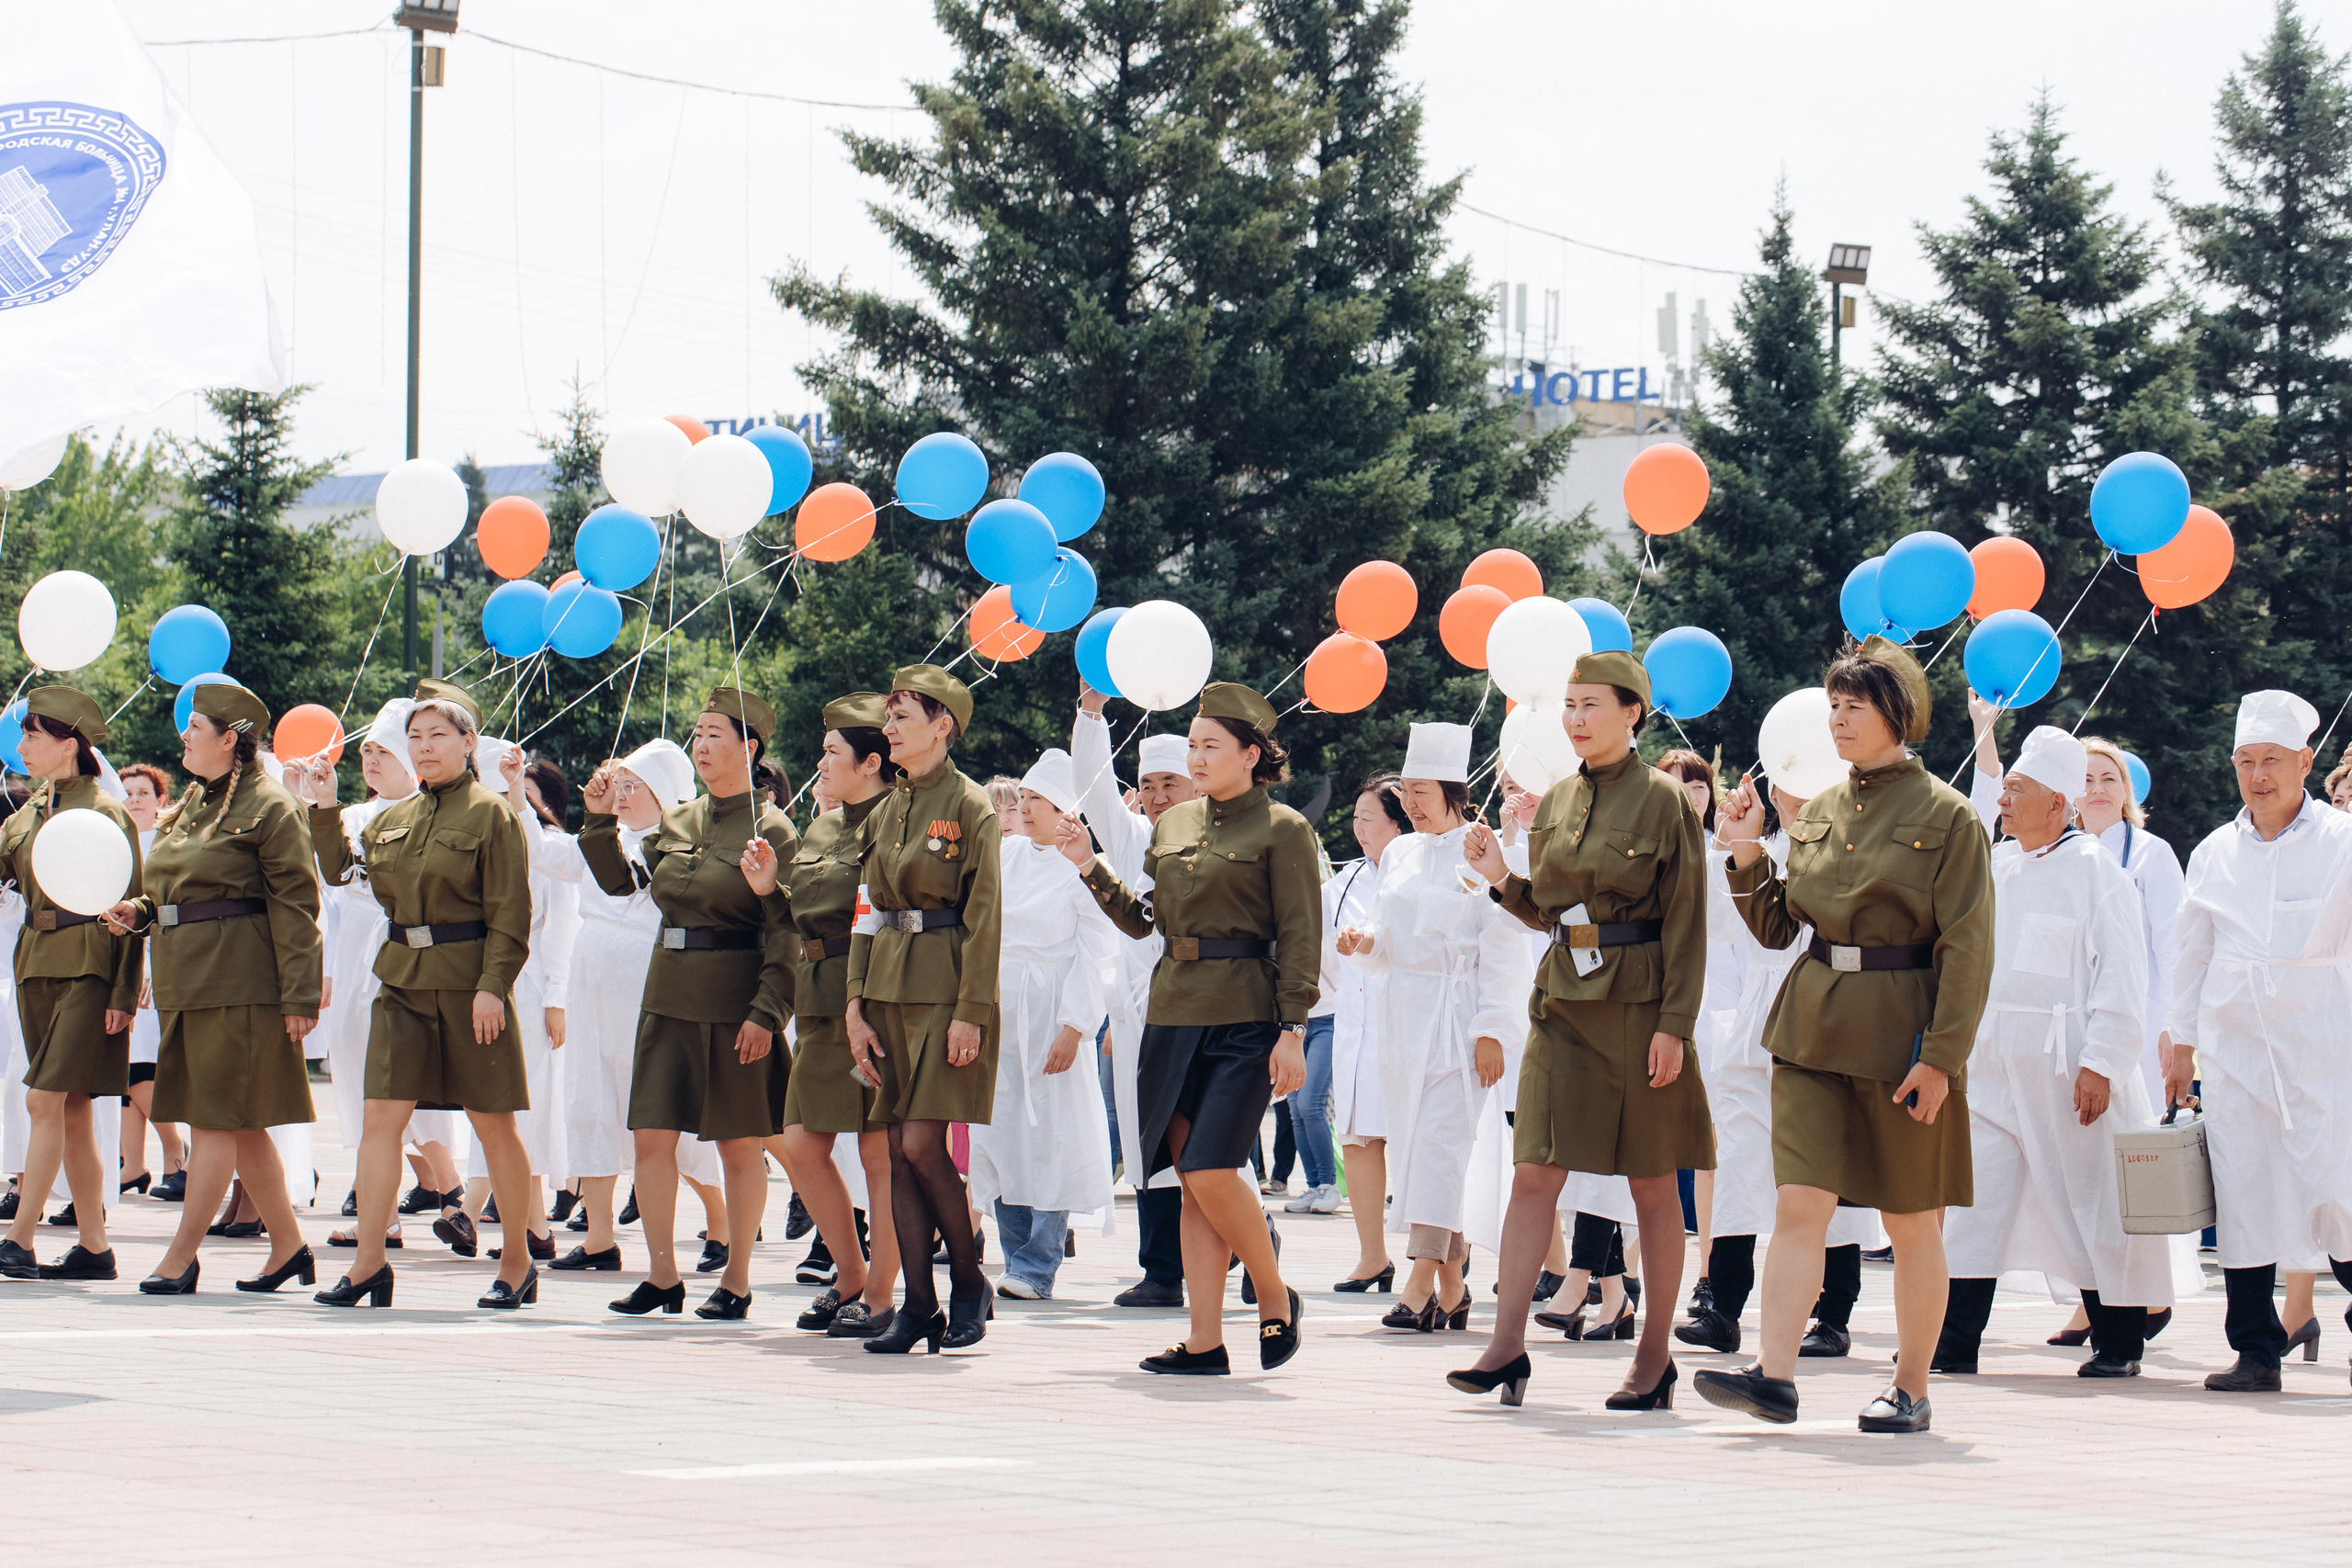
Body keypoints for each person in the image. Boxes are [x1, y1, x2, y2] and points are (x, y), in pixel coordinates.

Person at [1698, 637, 1993, 1434]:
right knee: (1799, 1205)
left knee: (1909, 1218)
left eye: (1853, 706)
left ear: (1899, 712)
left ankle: (1909, 1384)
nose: (1837, 721)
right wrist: (1747, 847)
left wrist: (1941, 1058)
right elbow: (1776, 927)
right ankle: (1775, 1375)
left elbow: (1968, 947)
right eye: (1832, 706)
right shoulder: (1822, 808)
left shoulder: (1950, 816)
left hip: (1903, 1037)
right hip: (1812, 1027)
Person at [1450, 651, 1710, 1411]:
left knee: (1653, 1181)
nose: (1575, 718)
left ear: (1633, 713)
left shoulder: (1664, 801)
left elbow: (1687, 921)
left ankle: (1654, 1355)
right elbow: (1551, 911)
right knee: (1535, 1170)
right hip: (1561, 1002)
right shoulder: (1558, 800)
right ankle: (1505, 1346)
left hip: (1638, 1006)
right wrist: (1503, 876)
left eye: (1592, 704)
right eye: (1569, 705)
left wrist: (1676, 1026)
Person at [1057, 682, 1315, 1374]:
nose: (1197, 758)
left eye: (1210, 746)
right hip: (1172, 1016)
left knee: (1211, 1164)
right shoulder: (1172, 826)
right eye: (1193, 744)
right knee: (1190, 1180)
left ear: (1251, 753)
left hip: (1245, 1017)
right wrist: (1089, 866)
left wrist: (1292, 1027)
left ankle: (1273, 1291)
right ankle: (1205, 1339)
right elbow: (1146, 921)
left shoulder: (1284, 828)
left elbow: (1298, 934)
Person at [1934, 726, 2171, 1378]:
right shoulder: (1999, 866)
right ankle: (1953, 1340)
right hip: (1993, 1066)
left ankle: (2120, 1339)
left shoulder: (2098, 873)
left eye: (2017, 789)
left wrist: (2102, 1063)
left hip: (2071, 1070)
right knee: (1974, 1202)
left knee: (2090, 1203)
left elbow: (2124, 977)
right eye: (2005, 788)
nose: (2004, 801)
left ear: (2059, 804)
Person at [295, 679, 538, 1310]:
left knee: (493, 1125)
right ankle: (369, 1262)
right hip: (401, 982)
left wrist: (493, 987)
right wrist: (322, 807)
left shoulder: (490, 814)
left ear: (468, 743)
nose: (424, 747)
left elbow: (511, 913)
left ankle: (516, 1261)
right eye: (415, 737)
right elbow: (344, 872)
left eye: (437, 736)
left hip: (467, 984)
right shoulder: (393, 817)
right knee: (381, 1120)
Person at [100, 682, 323, 1295]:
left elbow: (297, 905)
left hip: (240, 980)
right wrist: (139, 910)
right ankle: (289, 1247)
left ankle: (182, 1254)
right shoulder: (194, 801)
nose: (184, 735)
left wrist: (301, 994)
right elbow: (172, 889)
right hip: (187, 979)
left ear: (231, 739)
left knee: (216, 1125)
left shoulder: (270, 806)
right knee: (242, 1124)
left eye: (195, 726)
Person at [582, 689, 795, 1321]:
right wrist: (597, 820)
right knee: (651, 1135)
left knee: (738, 1143)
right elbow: (624, 883)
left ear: (748, 747)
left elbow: (786, 928)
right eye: (696, 735)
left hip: (735, 995)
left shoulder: (774, 828)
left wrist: (768, 1011)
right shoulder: (677, 823)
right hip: (669, 991)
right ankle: (663, 1273)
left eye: (714, 736)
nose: (701, 747)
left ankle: (736, 1276)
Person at [2168, 689, 2352, 1393]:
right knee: (2243, 1192)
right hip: (2236, 1048)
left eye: (2272, 759)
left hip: (2323, 1043)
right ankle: (2255, 1350)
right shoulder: (2215, 849)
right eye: (2245, 760)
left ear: (2306, 761)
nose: (2258, 774)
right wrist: (2180, 1044)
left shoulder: (2340, 841)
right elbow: (2191, 953)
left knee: (2335, 1188)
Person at [1674, 780, 1883, 1358]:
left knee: (1824, 1173)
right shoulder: (1755, 851)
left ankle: (1833, 1311)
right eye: (1785, 782)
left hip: (1826, 1020)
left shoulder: (1856, 851)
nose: (1795, 794)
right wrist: (1729, 845)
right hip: (1756, 1026)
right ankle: (1723, 1303)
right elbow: (1712, 921)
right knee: (1740, 1162)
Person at [1337, 725, 1531, 1332]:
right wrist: (1363, 941)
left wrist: (1493, 1027)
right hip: (1401, 1016)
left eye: (1421, 792)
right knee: (1418, 1151)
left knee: (1444, 1148)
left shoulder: (1484, 846)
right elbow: (1387, 933)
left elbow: (1503, 943)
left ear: (1452, 789)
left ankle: (1419, 1281)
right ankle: (1452, 1287)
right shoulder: (1400, 853)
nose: (1411, 805)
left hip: (1458, 1015)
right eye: (1407, 793)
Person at [845, 665, 1003, 1354]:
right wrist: (854, 1004)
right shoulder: (885, 810)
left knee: (919, 1143)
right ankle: (919, 1304)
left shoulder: (971, 806)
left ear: (943, 727)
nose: (890, 729)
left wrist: (973, 1010)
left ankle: (967, 1281)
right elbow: (866, 911)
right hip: (886, 985)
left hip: (944, 986)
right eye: (889, 716)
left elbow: (986, 915)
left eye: (902, 717)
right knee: (895, 1151)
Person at [528, 738, 722, 1273]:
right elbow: (543, 851)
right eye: (621, 783)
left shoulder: (679, 846)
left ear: (665, 795)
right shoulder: (602, 838)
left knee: (664, 1115)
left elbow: (627, 884)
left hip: (649, 983)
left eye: (635, 786)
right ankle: (598, 1237)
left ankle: (722, 1222)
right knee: (591, 1102)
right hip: (593, 983)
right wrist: (513, 795)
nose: (623, 794)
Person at [764, 695, 902, 1338]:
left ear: (872, 762)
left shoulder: (895, 824)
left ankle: (879, 1293)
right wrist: (772, 890)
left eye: (832, 753)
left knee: (880, 1152)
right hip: (817, 999)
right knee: (801, 1144)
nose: (820, 762)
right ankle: (848, 1272)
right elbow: (804, 917)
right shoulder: (822, 826)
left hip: (873, 996)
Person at [0, 690, 143, 1282]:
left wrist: (124, 992)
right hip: (34, 960)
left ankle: (20, 1238)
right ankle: (94, 1246)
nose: (23, 745)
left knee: (43, 1098)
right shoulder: (27, 812)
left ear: (69, 744)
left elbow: (135, 905)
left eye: (34, 735)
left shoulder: (106, 813)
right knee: (75, 1107)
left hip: (90, 960)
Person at [1070, 688, 1201, 1307]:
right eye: (1149, 784)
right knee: (1149, 1142)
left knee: (1203, 1140)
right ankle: (1162, 1270)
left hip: (1203, 1013)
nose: (1157, 795)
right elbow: (1095, 789)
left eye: (1171, 783)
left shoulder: (1221, 840)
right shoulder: (1133, 839)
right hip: (1139, 1014)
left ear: (1198, 784)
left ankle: (1260, 1244)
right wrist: (1090, 716)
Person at [972, 748, 1115, 1301]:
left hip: (1053, 1007)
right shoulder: (1003, 857)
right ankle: (1013, 1255)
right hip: (1002, 1011)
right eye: (1024, 798)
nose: (1027, 808)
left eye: (1039, 799)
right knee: (1002, 1132)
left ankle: (1039, 1262)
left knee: (1052, 1137)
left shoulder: (1082, 866)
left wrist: (1074, 1026)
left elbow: (1096, 949)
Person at [470, 746, 579, 1264]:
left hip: (533, 988)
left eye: (520, 795)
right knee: (499, 1105)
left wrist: (556, 998)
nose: (509, 802)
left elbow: (560, 929)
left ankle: (490, 1218)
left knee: (525, 1105)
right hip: (490, 985)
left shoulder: (549, 845)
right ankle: (532, 1226)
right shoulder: (482, 842)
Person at [1327, 777, 1401, 1286]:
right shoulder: (1344, 879)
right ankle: (1372, 1254)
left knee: (1414, 1141)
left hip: (1406, 1023)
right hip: (1354, 1025)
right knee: (1357, 1140)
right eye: (1355, 817)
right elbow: (1322, 953)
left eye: (1368, 818)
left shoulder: (1426, 869)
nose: (1358, 828)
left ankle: (1440, 1262)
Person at [114, 761, 184, 1200]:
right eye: (128, 792)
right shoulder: (116, 842)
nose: (135, 800)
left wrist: (152, 968)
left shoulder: (166, 842)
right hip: (117, 959)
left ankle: (177, 1155)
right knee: (121, 1067)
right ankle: (132, 1165)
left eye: (143, 792)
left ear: (161, 799)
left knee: (139, 1068)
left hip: (152, 963)